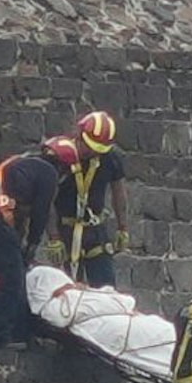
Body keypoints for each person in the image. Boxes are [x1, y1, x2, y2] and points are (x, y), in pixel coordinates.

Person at [0, 139, 77, 347]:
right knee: (12, 281)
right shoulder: (48, 173)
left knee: (10, 276)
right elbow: (41, 213)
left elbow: (19, 214)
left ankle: (19, 331)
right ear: (63, 167)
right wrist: (32, 246)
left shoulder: (23, 165)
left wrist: (19, 248)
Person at [47, 110, 130, 286]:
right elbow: (48, 198)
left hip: (95, 230)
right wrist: (54, 237)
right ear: (79, 135)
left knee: (106, 289)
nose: (93, 152)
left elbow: (119, 192)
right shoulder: (60, 156)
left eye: (98, 149)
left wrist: (123, 227)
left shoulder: (110, 157)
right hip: (66, 230)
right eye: (90, 146)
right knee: (66, 290)